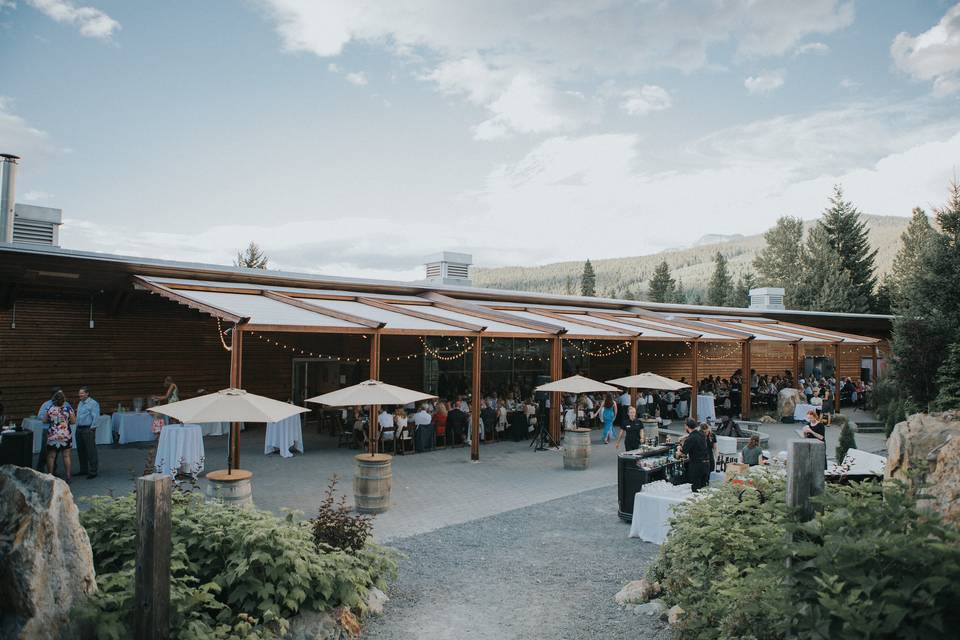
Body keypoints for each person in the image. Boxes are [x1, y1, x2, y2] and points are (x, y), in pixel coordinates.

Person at [43, 391, 75, 481]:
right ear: (63, 400)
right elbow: (73, 421)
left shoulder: (50, 408)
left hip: (53, 434)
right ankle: (68, 476)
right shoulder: (68, 409)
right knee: (66, 456)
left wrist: (53, 421)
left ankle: (50, 475)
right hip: (65, 435)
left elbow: (44, 420)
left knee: (51, 456)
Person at [75, 386, 100, 478]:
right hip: (79, 429)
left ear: (87, 393)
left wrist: (92, 428)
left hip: (88, 429)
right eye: (79, 393)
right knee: (81, 450)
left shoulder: (93, 403)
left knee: (91, 451)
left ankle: (93, 471)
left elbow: (96, 417)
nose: (80, 395)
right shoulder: (80, 403)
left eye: (82, 393)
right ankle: (83, 470)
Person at [35, 386, 62, 471]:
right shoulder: (46, 404)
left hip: (58, 430)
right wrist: (51, 418)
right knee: (45, 450)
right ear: (54, 395)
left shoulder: (64, 404)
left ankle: (53, 470)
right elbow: (40, 416)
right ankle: (40, 469)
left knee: (55, 450)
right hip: (48, 429)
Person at [680, 418, 710, 492]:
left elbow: (683, 453)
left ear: (687, 426)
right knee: (704, 488)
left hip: (697, 465)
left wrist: (678, 449)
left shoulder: (690, 438)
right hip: (706, 464)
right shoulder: (702, 434)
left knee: (696, 488)